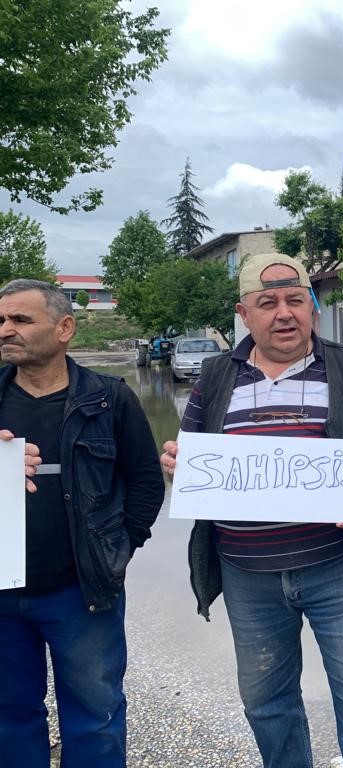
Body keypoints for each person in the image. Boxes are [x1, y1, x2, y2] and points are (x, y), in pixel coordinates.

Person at [160, 254, 343, 768]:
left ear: (312, 306)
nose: (284, 313)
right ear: (243, 313)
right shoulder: (214, 375)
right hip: (247, 577)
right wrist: (178, 465)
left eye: (296, 300)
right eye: (267, 303)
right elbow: (193, 461)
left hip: (338, 569)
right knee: (267, 704)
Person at [0, 278, 165, 768]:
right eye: (1, 321)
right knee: (9, 717)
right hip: (1, 597)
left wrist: (115, 551)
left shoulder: (110, 399)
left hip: (82, 592)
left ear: (65, 327)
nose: (6, 330)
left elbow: (145, 484)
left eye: (21, 320)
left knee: (96, 718)